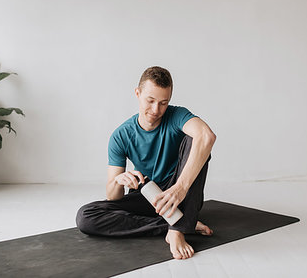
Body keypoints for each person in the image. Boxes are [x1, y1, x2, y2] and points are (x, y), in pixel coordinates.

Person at [76, 66, 216, 259]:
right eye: (150, 101)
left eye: (163, 103)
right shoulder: (121, 135)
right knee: (86, 216)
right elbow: (112, 197)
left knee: (196, 140)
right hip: (148, 196)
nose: (156, 110)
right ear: (138, 93)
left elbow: (207, 136)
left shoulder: (176, 116)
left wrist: (180, 188)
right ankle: (176, 224)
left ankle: (177, 229)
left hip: (180, 196)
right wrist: (118, 181)